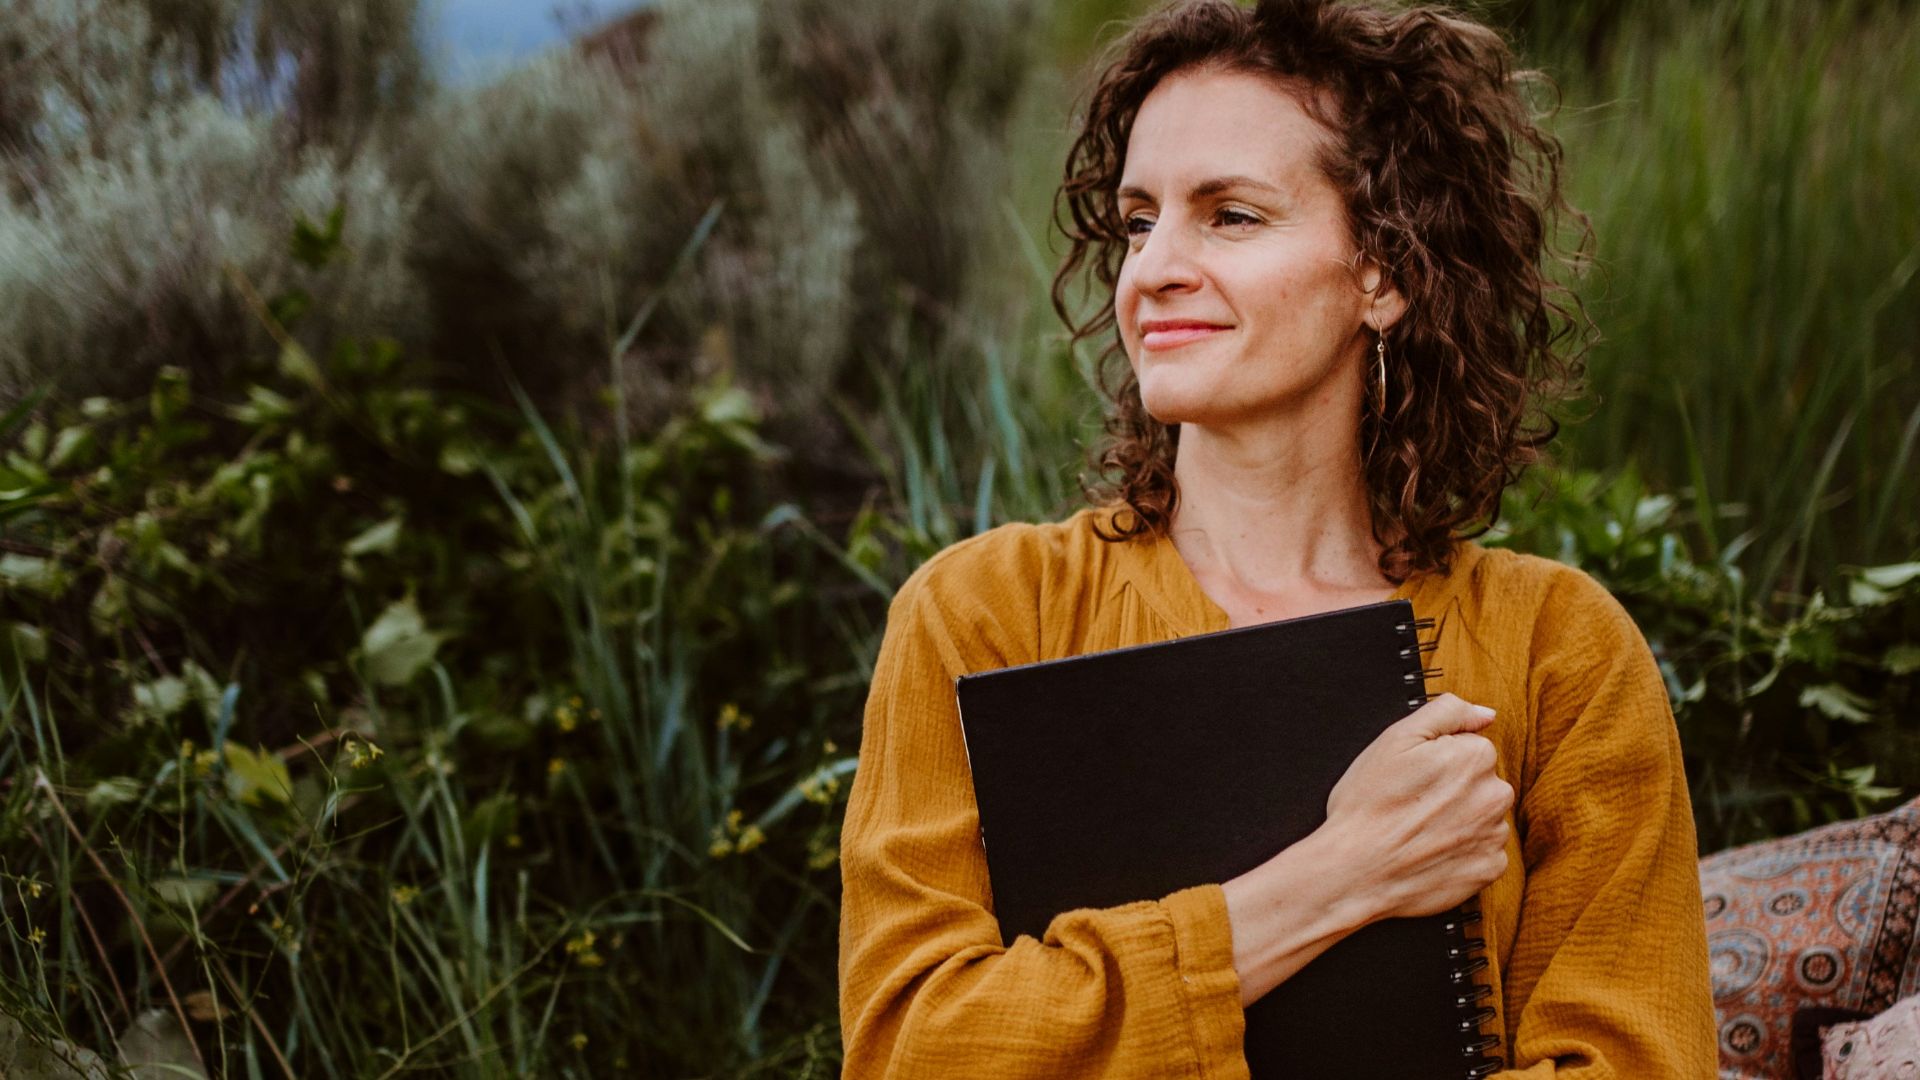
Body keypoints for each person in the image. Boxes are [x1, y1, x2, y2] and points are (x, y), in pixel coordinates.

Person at [836, 0, 1717, 1075]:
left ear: (1383, 272)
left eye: (1231, 216)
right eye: (1137, 219)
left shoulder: (1556, 650)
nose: (1154, 267)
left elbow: (1634, 1059)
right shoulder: (985, 612)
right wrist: (1340, 875)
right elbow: (909, 1050)